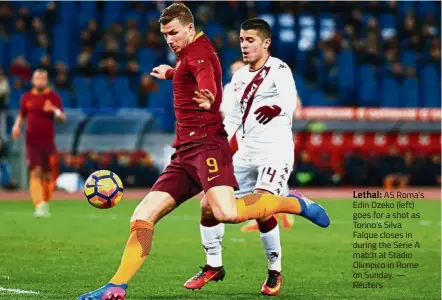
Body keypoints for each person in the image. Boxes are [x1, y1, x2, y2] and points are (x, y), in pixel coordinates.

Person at [77, 4, 329, 300]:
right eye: (164, 35)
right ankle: (117, 286)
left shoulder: (200, 52)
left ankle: (291, 204)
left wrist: (209, 94)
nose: (169, 39)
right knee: (142, 216)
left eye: (173, 33)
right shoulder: (187, 55)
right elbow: (194, 75)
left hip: (208, 146)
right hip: (184, 154)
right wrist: (173, 73)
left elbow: (205, 73)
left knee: (226, 212)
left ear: (188, 27)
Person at [183, 18, 305, 296]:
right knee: (207, 205)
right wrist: (216, 146)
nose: (244, 45)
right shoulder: (238, 79)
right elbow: (232, 120)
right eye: (241, 40)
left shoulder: (279, 70)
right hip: (246, 152)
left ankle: (275, 271)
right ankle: (213, 265)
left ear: (266, 43)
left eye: (250, 40)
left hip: (275, 151)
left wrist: (277, 107)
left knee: (262, 208)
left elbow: (289, 101)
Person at [11, 69, 65, 217]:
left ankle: (45, 202)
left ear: (46, 80)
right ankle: (39, 203)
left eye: (42, 78)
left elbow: (62, 118)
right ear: (32, 80)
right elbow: (22, 114)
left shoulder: (53, 97)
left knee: (49, 175)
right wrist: (16, 126)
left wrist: (54, 110)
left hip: (48, 142)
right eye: (37, 78)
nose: (40, 80)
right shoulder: (26, 97)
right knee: (36, 172)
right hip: (32, 141)